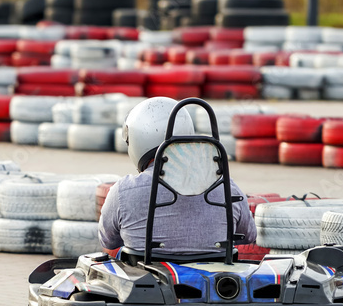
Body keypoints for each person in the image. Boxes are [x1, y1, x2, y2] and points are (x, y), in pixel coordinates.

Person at [99, 97, 257, 257]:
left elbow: (108, 241)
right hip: (213, 279)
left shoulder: (123, 191)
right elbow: (249, 235)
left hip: (147, 276)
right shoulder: (225, 185)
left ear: (138, 139)